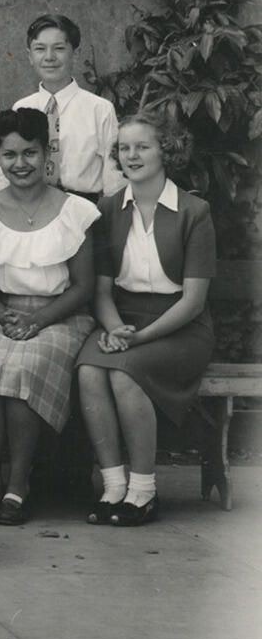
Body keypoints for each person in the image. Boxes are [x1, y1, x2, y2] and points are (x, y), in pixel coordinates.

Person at [79, 115, 218, 526]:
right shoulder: (108, 209)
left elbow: (193, 301)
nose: (132, 155)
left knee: (124, 373)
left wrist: (138, 339)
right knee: (89, 370)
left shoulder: (194, 211)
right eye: (124, 148)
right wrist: (114, 329)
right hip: (122, 318)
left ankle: (143, 491)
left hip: (181, 326)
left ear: (166, 151)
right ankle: (113, 486)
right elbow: (101, 291)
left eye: (143, 146)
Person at [0, 107, 101, 522]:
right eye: (9, 154)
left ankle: (18, 483)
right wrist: (1, 311)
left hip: (61, 315)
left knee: (24, 368)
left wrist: (38, 321)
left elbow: (83, 287)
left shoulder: (75, 211)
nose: (20, 164)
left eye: (29, 153)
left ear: (46, 153)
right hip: (1, 312)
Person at [17, 13, 123, 199]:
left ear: (76, 53)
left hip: (85, 206)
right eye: (40, 49)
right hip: (32, 205)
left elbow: (114, 178)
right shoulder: (21, 109)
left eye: (59, 48)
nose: (49, 57)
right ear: (30, 56)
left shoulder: (100, 109)